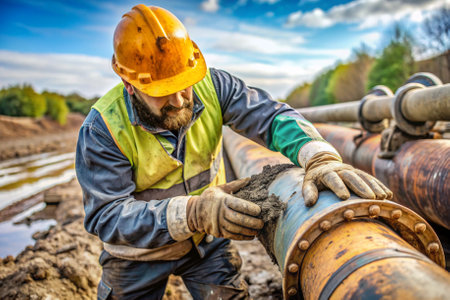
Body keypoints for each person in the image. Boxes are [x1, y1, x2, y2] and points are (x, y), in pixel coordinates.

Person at [75, 4, 392, 300]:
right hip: (137, 257)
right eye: (162, 93)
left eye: (184, 84)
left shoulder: (212, 87)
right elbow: (108, 215)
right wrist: (193, 212)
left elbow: (269, 116)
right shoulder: (102, 130)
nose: (180, 100)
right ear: (130, 85)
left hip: (206, 243)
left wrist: (318, 156)